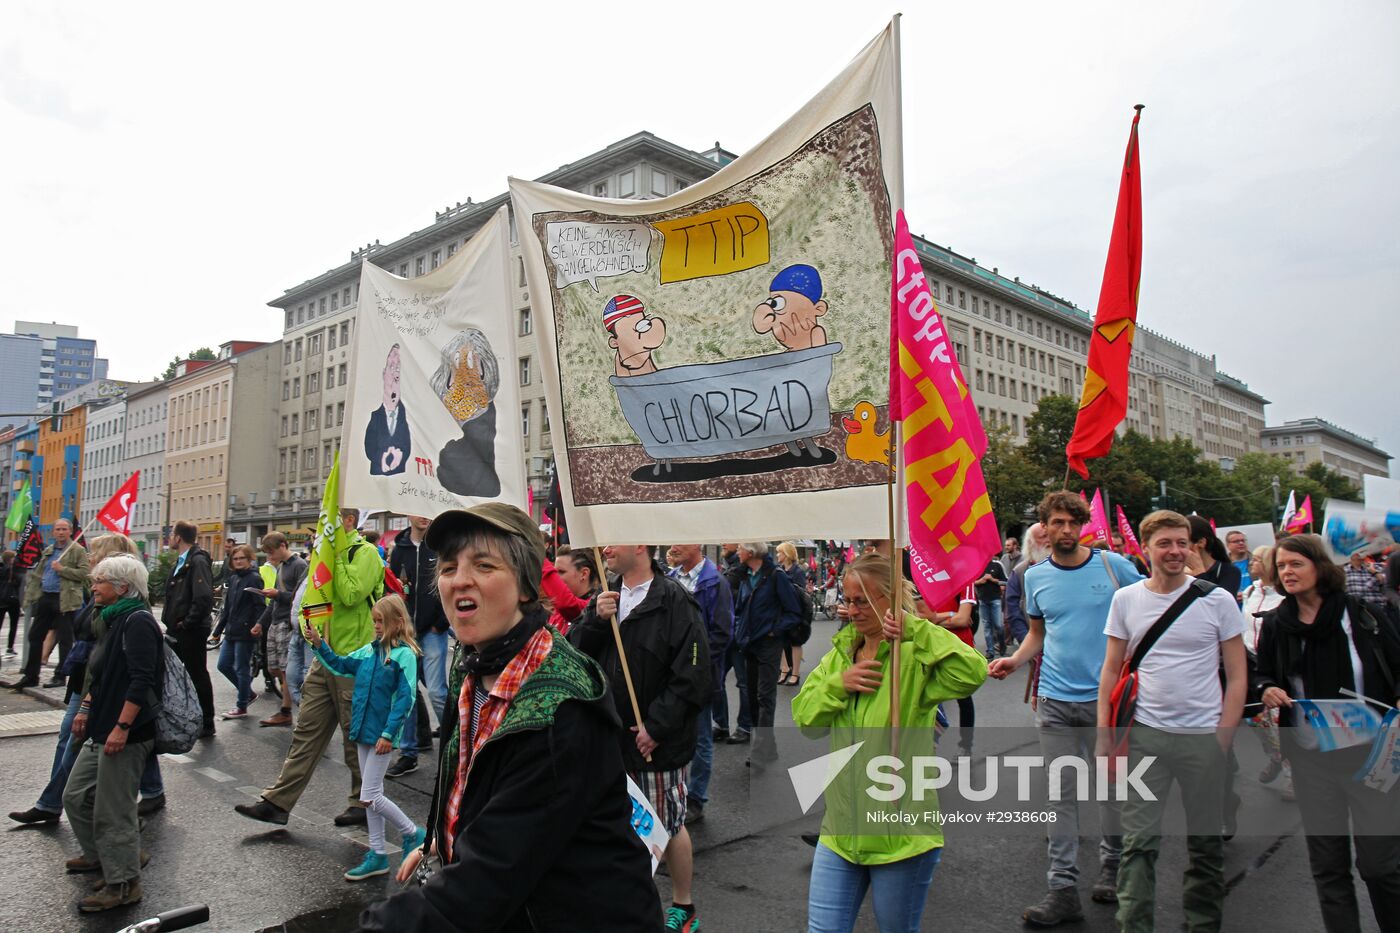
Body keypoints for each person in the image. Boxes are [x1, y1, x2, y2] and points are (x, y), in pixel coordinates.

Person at [360, 503, 659, 931]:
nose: (459, 579)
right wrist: (438, 844)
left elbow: (485, 881)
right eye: (448, 567)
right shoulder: (470, 665)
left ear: (524, 585)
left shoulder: (558, 710)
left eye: (483, 565)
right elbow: (466, 781)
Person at [792, 553, 987, 933]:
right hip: (840, 833)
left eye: (862, 600)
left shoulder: (912, 654)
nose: (851, 610)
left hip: (902, 837)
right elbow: (807, 722)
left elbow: (972, 672)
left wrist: (915, 628)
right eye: (847, 600)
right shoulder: (841, 654)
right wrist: (839, 684)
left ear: (890, 599)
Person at [989, 491, 1143, 926]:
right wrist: (1015, 660)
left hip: (1107, 703)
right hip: (1055, 700)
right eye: (1057, 523)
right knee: (1062, 796)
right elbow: (1038, 633)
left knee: (1112, 791)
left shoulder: (1116, 568)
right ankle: (1062, 889)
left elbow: (1146, 616)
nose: (1066, 530)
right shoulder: (1035, 577)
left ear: (1083, 527)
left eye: (1074, 523)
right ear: (1045, 528)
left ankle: (1112, 867)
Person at [1096, 510, 1248, 932]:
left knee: (1205, 847)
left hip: (1204, 739)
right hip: (1144, 737)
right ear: (1144, 549)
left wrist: (1223, 736)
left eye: (1182, 543)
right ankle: (1134, 925)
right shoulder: (1126, 599)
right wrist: (1104, 735)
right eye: (1165, 543)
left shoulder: (1216, 599)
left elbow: (1237, 676)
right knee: (1138, 845)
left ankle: (1203, 924)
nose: (1176, 551)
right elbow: (1110, 670)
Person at [1253, 534, 1400, 933]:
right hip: (1311, 760)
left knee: (1380, 865)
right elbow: (1262, 674)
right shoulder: (1277, 625)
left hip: (1371, 756)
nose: (1287, 572)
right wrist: (1266, 688)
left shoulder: (1361, 614)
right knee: (1328, 866)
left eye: (1296, 564)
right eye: (1281, 566)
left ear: (1320, 566)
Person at [572, 544, 710, 931]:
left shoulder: (675, 601)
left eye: (614, 540)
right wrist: (596, 621)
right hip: (610, 740)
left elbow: (694, 674)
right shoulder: (604, 598)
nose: (605, 549)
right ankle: (629, 908)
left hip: (656, 745)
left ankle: (682, 906)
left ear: (639, 545)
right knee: (620, 824)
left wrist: (657, 727)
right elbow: (574, 654)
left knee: (666, 826)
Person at [234, 508, 382, 828]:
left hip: (353, 659)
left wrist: (335, 556)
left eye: (328, 521)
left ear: (348, 522)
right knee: (306, 733)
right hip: (324, 656)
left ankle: (363, 801)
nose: (320, 528)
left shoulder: (365, 553)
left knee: (354, 736)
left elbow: (352, 593)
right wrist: (307, 627)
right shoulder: (322, 555)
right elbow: (311, 597)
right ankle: (277, 801)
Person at [9, 535, 166, 825]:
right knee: (108, 742)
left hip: (100, 683)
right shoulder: (102, 597)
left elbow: (138, 674)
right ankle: (146, 793)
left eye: (94, 554)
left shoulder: (129, 612)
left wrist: (113, 719)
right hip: (91, 681)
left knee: (84, 741)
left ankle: (58, 804)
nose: (88, 558)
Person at [61, 554, 161, 912]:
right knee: (75, 795)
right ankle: (105, 856)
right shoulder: (110, 619)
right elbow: (102, 673)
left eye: (99, 582)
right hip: (103, 726)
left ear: (121, 587)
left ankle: (123, 884)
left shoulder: (137, 622)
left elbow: (141, 680)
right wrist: (87, 708)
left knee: (113, 811)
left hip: (127, 733)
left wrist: (122, 727)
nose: (94, 588)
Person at [306, 593, 425, 881]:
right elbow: (341, 665)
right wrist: (320, 644)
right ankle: (377, 854)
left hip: (381, 735)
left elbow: (405, 699)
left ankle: (413, 832)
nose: (376, 626)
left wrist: (388, 733)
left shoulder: (404, 655)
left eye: (380, 621)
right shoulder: (371, 651)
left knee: (370, 795)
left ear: (397, 622)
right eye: (374, 621)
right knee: (371, 796)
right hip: (363, 731)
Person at [667, 543, 733, 826]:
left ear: (696, 544)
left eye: (679, 541)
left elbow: (722, 632)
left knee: (702, 736)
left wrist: (696, 664)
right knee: (672, 732)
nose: (673, 547)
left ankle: (696, 797)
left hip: (701, 675)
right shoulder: (670, 578)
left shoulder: (715, 581)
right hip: (671, 674)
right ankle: (674, 792)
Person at [386, 515, 449, 778]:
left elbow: (451, 583)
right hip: (405, 632)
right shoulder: (399, 548)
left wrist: (441, 622)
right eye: (417, 511)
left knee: (436, 691)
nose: (422, 517)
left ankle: (455, 749)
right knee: (406, 694)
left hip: (432, 631)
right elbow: (392, 588)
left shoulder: (441, 545)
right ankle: (408, 753)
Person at [732, 542, 802, 765]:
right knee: (752, 697)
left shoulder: (775, 576)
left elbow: (793, 611)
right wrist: (739, 629)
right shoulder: (745, 576)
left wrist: (774, 632)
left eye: (741, 548)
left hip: (768, 644)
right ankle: (768, 748)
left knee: (765, 696)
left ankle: (760, 751)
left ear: (751, 553)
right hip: (749, 643)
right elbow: (742, 608)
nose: (737, 552)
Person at [1240, 545, 1291, 798]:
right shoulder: (1249, 590)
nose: (1252, 564)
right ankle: (1277, 756)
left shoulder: (1285, 595)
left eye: (1258, 560)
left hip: (1276, 666)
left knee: (1281, 721)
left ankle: (1292, 774)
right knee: (1256, 719)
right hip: (1250, 664)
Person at [16, 517, 87, 689]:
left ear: (70, 531)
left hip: (65, 599)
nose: (61, 532)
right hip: (46, 597)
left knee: (64, 639)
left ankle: (60, 676)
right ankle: (31, 675)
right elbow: (39, 574)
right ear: (54, 532)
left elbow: (84, 573)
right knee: (35, 636)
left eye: (64, 529)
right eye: (58, 529)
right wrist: (31, 596)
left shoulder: (77, 550)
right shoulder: (49, 550)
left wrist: (63, 570)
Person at [161, 520, 216, 736]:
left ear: (178, 537)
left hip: (190, 629)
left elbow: (203, 597)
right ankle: (183, 714)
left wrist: (187, 622)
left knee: (197, 673)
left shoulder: (197, 560)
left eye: (172, 534)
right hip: (178, 628)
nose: (170, 538)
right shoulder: (183, 561)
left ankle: (207, 721)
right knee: (173, 670)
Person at [254, 533, 306, 727]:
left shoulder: (299, 565)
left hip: (286, 622)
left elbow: (299, 596)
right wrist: (261, 622)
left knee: (285, 670)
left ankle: (287, 711)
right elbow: (275, 601)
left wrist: (278, 594)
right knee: (273, 668)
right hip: (276, 621)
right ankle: (288, 708)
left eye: (272, 551)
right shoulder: (281, 567)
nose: (270, 556)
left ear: (283, 545)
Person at [213, 545, 265, 719]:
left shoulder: (254, 579)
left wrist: (258, 625)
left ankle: (241, 706)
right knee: (223, 665)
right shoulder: (234, 579)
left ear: (249, 559)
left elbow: (260, 605)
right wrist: (218, 631)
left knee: (242, 669)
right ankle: (248, 693)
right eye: (235, 559)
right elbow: (227, 608)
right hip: (231, 630)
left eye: (242, 558)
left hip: (245, 630)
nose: (238, 561)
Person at [716, 543, 750, 743]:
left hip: (738, 633)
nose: (722, 543)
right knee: (717, 679)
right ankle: (721, 724)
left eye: (727, 540)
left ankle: (744, 727)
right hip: (726, 632)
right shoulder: (728, 565)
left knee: (743, 683)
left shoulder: (742, 566)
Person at [364, 343, 411, 476]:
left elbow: (407, 446)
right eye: (391, 368)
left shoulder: (406, 416)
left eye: (397, 372)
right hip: (377, 480)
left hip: (401, 478)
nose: (394, 378)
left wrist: (399, 455)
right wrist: (382, 458)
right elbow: (369, 447)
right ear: (384, 374)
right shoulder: (375, 417)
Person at [1004, 522, 1050, 647]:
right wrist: (1027, 643)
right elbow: (1013, 612)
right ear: (1030, 543)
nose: (1049, 540)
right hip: (1036, 644)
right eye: (1043, 537)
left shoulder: (1063, 567)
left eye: (1050, 535)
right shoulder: (1019, 572)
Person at [776, 541, 809, 685]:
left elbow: (800, 593)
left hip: (796, 611)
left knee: (795, 642)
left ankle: (795, 674)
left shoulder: (798, 571)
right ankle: (784, 669)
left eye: (780, 552)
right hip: (781, 611)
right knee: (782, 641)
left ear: (787, 554)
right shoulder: (779, 570)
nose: (777, 555)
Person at [1187, 515, 1241, 603]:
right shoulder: (1180, 574)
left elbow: (1218, 605)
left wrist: (1199, 572)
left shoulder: (1229, 571)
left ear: (1201, 542)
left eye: (1183, 543)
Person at [973, 554, 1008, 660]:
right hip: (982, 600)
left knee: (998, 625)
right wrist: (980, 581)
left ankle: (1002, 644)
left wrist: (993, 580)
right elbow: (971, 582)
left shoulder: (997, 565)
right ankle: (990, 650)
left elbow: (1006, 581)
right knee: (987, 626)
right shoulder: (977, 566)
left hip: (995, 599)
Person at [1, 549, 23, 656]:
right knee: (13, 625)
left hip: (3, 600)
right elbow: (20, 582)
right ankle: (10, 647)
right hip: (12, 600)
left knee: (13, 625)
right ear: (10, 559)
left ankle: (10, 647)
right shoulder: (13, 570)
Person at [1226, 530, 1253, 595]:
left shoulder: (1256, 562)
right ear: (1228, 545)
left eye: (1243, 540)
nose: (1241, 543)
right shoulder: (1223, 565)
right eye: (1236, 541)